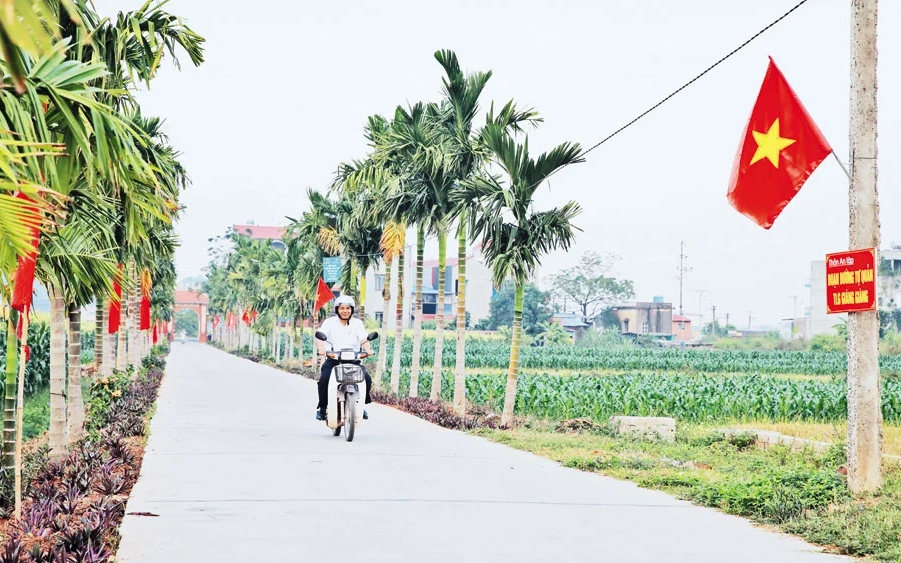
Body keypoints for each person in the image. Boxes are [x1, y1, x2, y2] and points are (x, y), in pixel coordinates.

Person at [315, 295, 374, 421]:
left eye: (348, 308)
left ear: (352, 310)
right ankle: (323, 408)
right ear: (337, 309)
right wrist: (322, 349)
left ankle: (360, 405)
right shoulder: (329, 322)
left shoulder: (357, 323)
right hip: (334, 360)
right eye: (342, 308)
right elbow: (320, 337)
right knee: (324, 379)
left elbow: (364, 339)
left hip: (353, 360)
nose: (345, 311)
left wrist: (368, 350)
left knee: (367, 379)